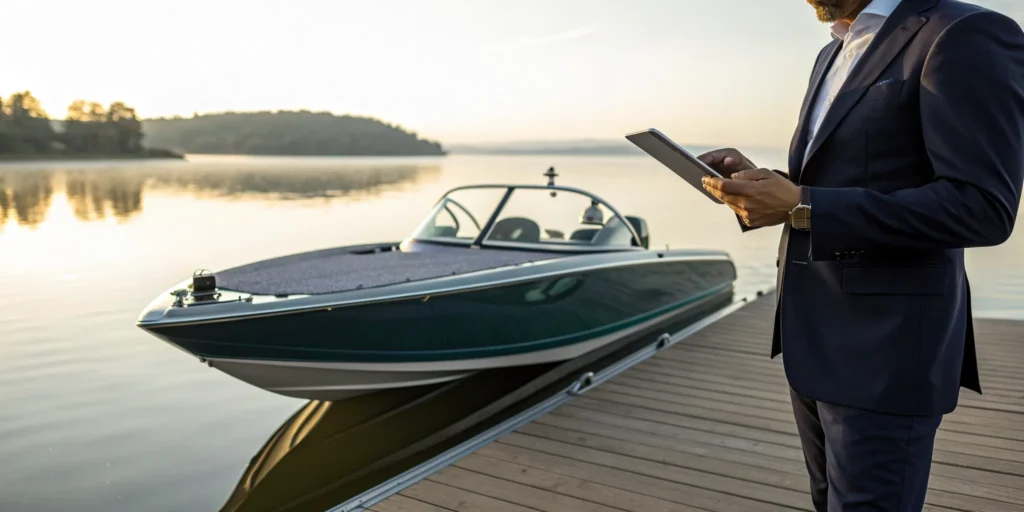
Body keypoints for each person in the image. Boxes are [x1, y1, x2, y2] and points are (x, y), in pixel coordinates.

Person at [698, 0, 1024, 510]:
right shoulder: (833, 52)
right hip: (810, 339)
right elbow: (842, 181)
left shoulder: (965, 33)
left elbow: (983, 206)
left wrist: (805, 205)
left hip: (887, 353)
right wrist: (775, 190)